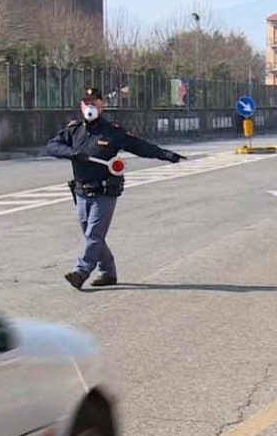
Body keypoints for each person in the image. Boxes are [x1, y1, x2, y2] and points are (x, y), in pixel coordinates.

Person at [46, 87, 186, 290]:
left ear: (102, 106)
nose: (90, 106)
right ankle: (108, 272)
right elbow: (52, 146)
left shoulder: (112, 131)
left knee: (94, 234)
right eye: (87, 102)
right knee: (92, 235)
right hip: (81, 192)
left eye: (94, 102)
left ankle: (81, 271)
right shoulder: (74, 130)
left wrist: (166, 155)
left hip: (104, 192)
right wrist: (73, 153)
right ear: (81, 106)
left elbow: (139, 146)